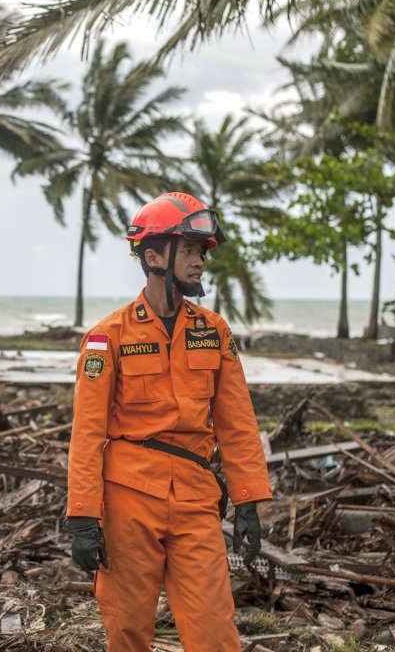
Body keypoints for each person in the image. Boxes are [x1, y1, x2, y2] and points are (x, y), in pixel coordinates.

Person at [64, 192, 273, 651]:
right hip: (127, 501)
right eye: (191, 250)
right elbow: (87, 434)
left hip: (197, 500)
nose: (200, 261)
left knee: (215, 632)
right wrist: (82, 517)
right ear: (154, 255)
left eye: (202, 252)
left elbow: (237, 423)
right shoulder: (107, 336)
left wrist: (248, 503)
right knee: (128, 629)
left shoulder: (214, 332)